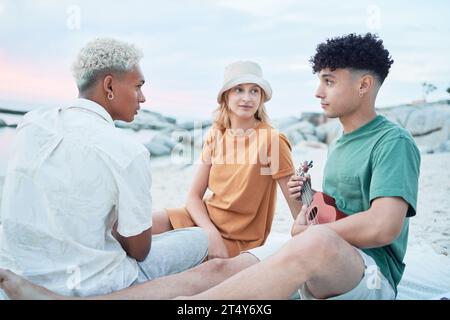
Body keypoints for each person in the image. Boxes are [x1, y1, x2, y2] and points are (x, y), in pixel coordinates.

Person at [0, 33, 420, 300]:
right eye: (238, 90)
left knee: (304, 245)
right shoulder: (342, 143)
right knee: (217, 269)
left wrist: (304, 227)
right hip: (321, 255)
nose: (317, 92)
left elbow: (381, 227)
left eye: (328, 81)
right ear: (225, 97)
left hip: (366, 271)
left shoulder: (386, 141)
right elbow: (314, 219)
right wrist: (306, 204)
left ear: (364, 85)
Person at [0, 38, 207, 298]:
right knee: (198, 239)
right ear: (109, 85)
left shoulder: (32, 123)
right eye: (138, 86)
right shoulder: (127, 151)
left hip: (18, 270)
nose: (143, 98)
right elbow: (139, 251)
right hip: (91, 284)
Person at [152, 60, 301, 259]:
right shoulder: (216, 135)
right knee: (132, 229)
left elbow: (296, 204)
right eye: (238, 90)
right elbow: (194, 197)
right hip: (203, 221)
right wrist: (210, 233)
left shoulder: (272, 140)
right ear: (226, 96)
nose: (247, 98)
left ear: (261, 98)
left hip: (236, 238)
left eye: (254, 91)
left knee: (160, 256)